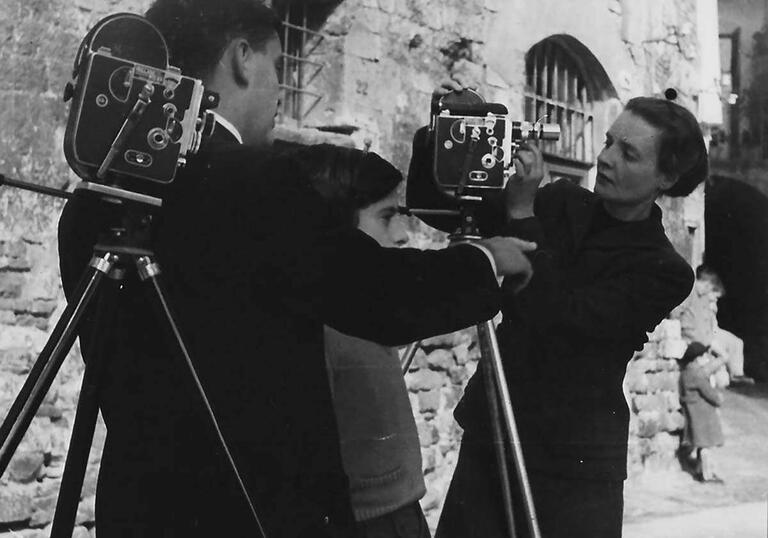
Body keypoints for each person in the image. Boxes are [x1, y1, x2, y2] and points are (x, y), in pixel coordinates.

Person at [56, 2, 537, 537]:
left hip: (141, 514)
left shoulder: (93, 200)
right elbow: (377, 295)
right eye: (278, 66)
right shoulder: (260, 183)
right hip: (256, 513)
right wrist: (488, 259)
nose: (281, 91)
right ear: (242, 59)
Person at [425, 91, 706, 538]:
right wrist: (451, 136)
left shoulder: (663, 270)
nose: (606, 158)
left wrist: (521, 211)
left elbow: (562, 317)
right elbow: (451, 212)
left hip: (573, 463)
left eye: (628, 153)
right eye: (609, 142)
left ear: (666, 177)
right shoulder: (558, 201)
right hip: (494, 433)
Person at [298, 143, 429, 537]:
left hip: (394, 508)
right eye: (386, 217)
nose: (403, 235)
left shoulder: (363, 304)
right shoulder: (329, 321)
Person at [678, 342, 726, 483]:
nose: (705, 358)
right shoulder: (697, 374)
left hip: (696, 413)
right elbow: (709, 393)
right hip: (702, 415)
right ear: (697, 358)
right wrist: (719, 399)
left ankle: (701, 471)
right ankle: (707, 475)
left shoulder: (687, 372)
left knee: (702, 445)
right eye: (702, 356)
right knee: (706, 446)